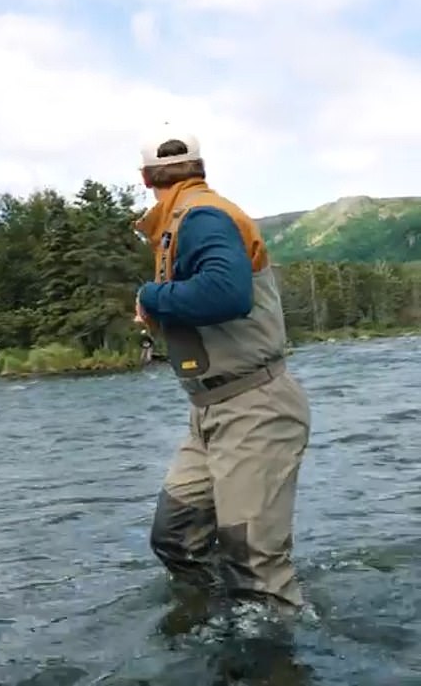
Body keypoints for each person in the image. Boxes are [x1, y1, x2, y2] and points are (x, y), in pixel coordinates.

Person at [134, 124, 311, 612]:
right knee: (177, 538)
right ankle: (223, 625)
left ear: (145, 177)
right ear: (200, 168)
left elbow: (224, 294)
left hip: (254, 407)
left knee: (255, 564)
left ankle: (273, 650)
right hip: (210, 412)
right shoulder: (185, 219)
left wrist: (149, 296)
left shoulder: (202, 216)